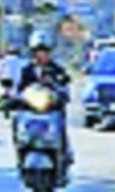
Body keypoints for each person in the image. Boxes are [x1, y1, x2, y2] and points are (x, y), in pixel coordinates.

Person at [15, 31, 74, 172]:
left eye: (44, 51)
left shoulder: (56, 69)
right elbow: (19, 89)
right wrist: (11, 98)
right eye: (37, 51)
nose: (40, 55)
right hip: (31, 110)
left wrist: (61, 92)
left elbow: (64, 83)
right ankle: (20, 155)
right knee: (16, 122)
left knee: (61, 122)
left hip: (51, 109)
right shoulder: (26, 70)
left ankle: (64, 153)